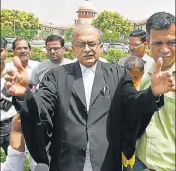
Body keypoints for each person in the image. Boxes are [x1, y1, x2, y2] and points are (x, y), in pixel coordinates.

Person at [5, 25, 175, 171]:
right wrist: (25, 95)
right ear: (73, 49)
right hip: (67, 160)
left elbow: (133, 103)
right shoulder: (57, 75)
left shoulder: (118, 73)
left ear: (100, 47)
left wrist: (152, 93)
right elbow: (42, 105)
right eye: (81, 44)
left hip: (106, 160)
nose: (87, 48)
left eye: (92, 43)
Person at [134, 12, 175, 171]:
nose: (164, 50)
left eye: (171, 42)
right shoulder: (141, 75)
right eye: (158, 43)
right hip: (140, 163)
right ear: (148, 43)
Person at [9, 38, 39, 171]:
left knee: (37, 156)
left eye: (25, 48)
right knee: (15, 155)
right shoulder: (7, 69)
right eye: (19, 48)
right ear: (13, 51)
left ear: (30, 50)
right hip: (13, 119)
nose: (22, 51)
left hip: (35, 118)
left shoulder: (39, 67)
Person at [0, 37, 17, 155]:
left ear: (5, 50)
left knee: (14, 160)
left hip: (9, 125)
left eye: (0, 50)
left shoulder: (14, 71)